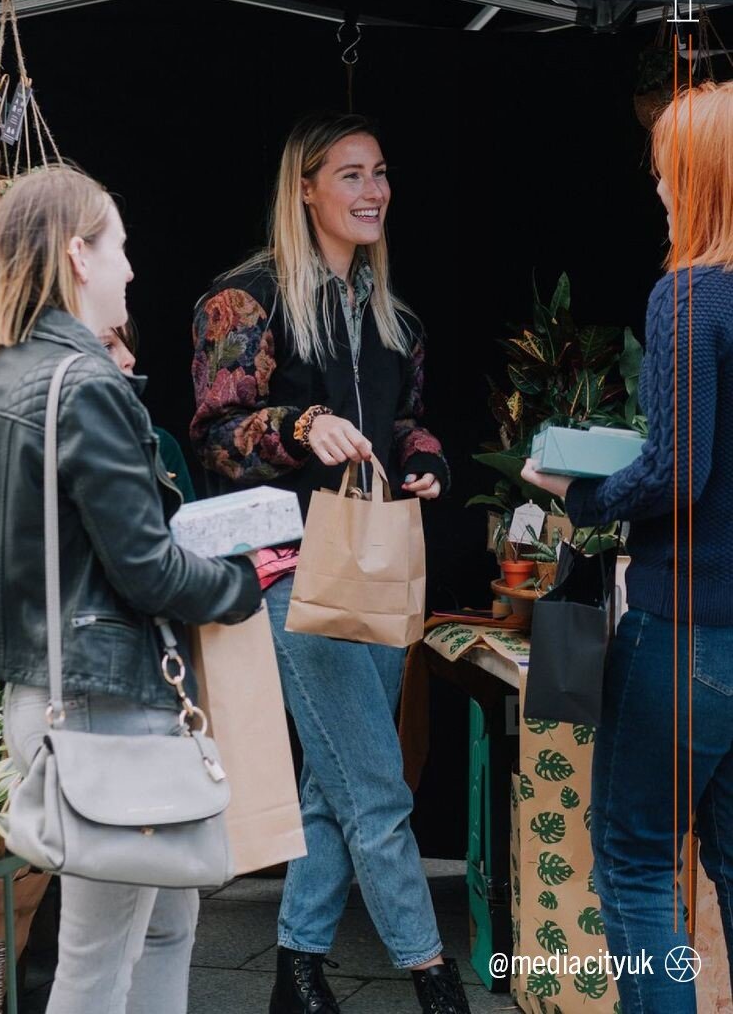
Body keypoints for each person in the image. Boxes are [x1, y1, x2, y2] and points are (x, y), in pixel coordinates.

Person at [0, 165, 262, 1014]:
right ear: (76, 256)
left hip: (58, 692)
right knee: (97, 961)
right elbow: (148, 568)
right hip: (104, 704)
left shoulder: (6, 378)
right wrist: (241, 583)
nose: (132, 267)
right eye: (119, 246)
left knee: (164, 930)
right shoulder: (87, 384)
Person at [191, 112, 470, 1014]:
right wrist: (302, 428)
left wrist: (422, 453)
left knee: (335, 783)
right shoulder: (244, 299)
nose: (372, 190)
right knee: (377, 785)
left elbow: (401, 418)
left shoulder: (395, 317)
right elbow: (218, 440)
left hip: (377, 564)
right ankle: (435, 979)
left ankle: (296, 972)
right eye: (349, 174)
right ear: (304, 188)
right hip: (288, 572)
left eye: (380, 172)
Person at [522, 80, 733, 1014]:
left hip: (682, 623)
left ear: (698, 180)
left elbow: (677, 473)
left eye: (664, 172)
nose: (655, 189)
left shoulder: (687, 299)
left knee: (637, 869)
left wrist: (582, 493)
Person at [99, 321, 199, 501]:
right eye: (107, 346)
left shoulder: (160, 445)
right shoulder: (47, 454)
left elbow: (186, 525)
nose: (130, 358)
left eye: (127, 345)